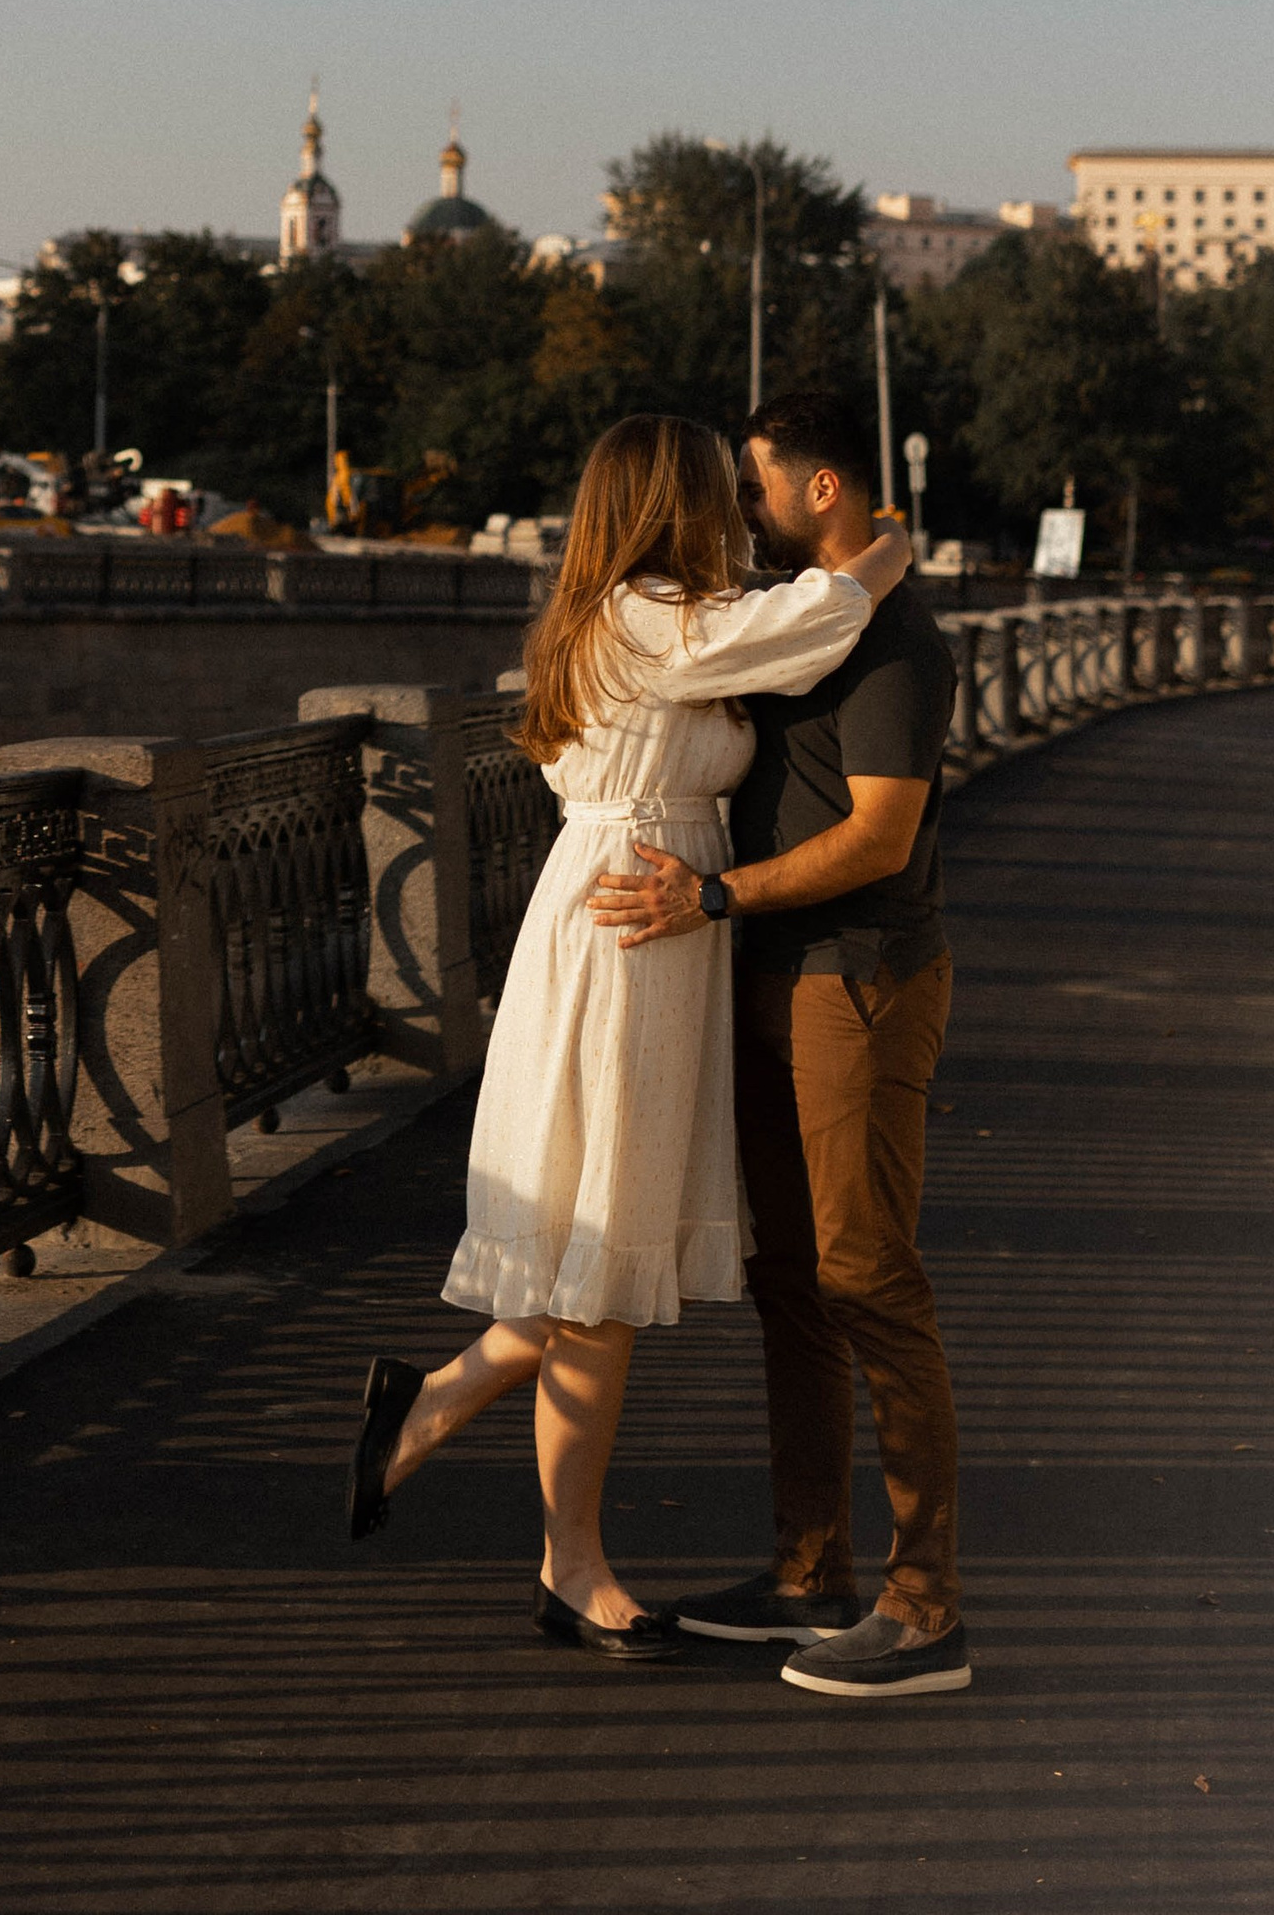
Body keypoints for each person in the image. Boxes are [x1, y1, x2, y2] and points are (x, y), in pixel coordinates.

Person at [343, 412, 914, 1655]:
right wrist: (889, 548)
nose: (735, 506)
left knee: (595, 1255)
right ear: (670, 500)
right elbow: (817, 621)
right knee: (598, 1266)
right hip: (628, 925)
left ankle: (427, 1406)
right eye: (718, 487)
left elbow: (771, 635)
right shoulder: (644, 613)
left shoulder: (644, 611)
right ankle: (572, 1566)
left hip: (652, 917)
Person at [589, 387, 969, 1700]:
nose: (740, 510)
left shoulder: (894, 644)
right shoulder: (796, 615)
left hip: (855, 978)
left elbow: (879, 836)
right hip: (770, 973)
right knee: (793, 1283)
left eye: (755, 485)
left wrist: (713, 895)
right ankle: (809, 1574)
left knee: (870, 1278)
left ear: (822, 488)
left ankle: (926, 1610)